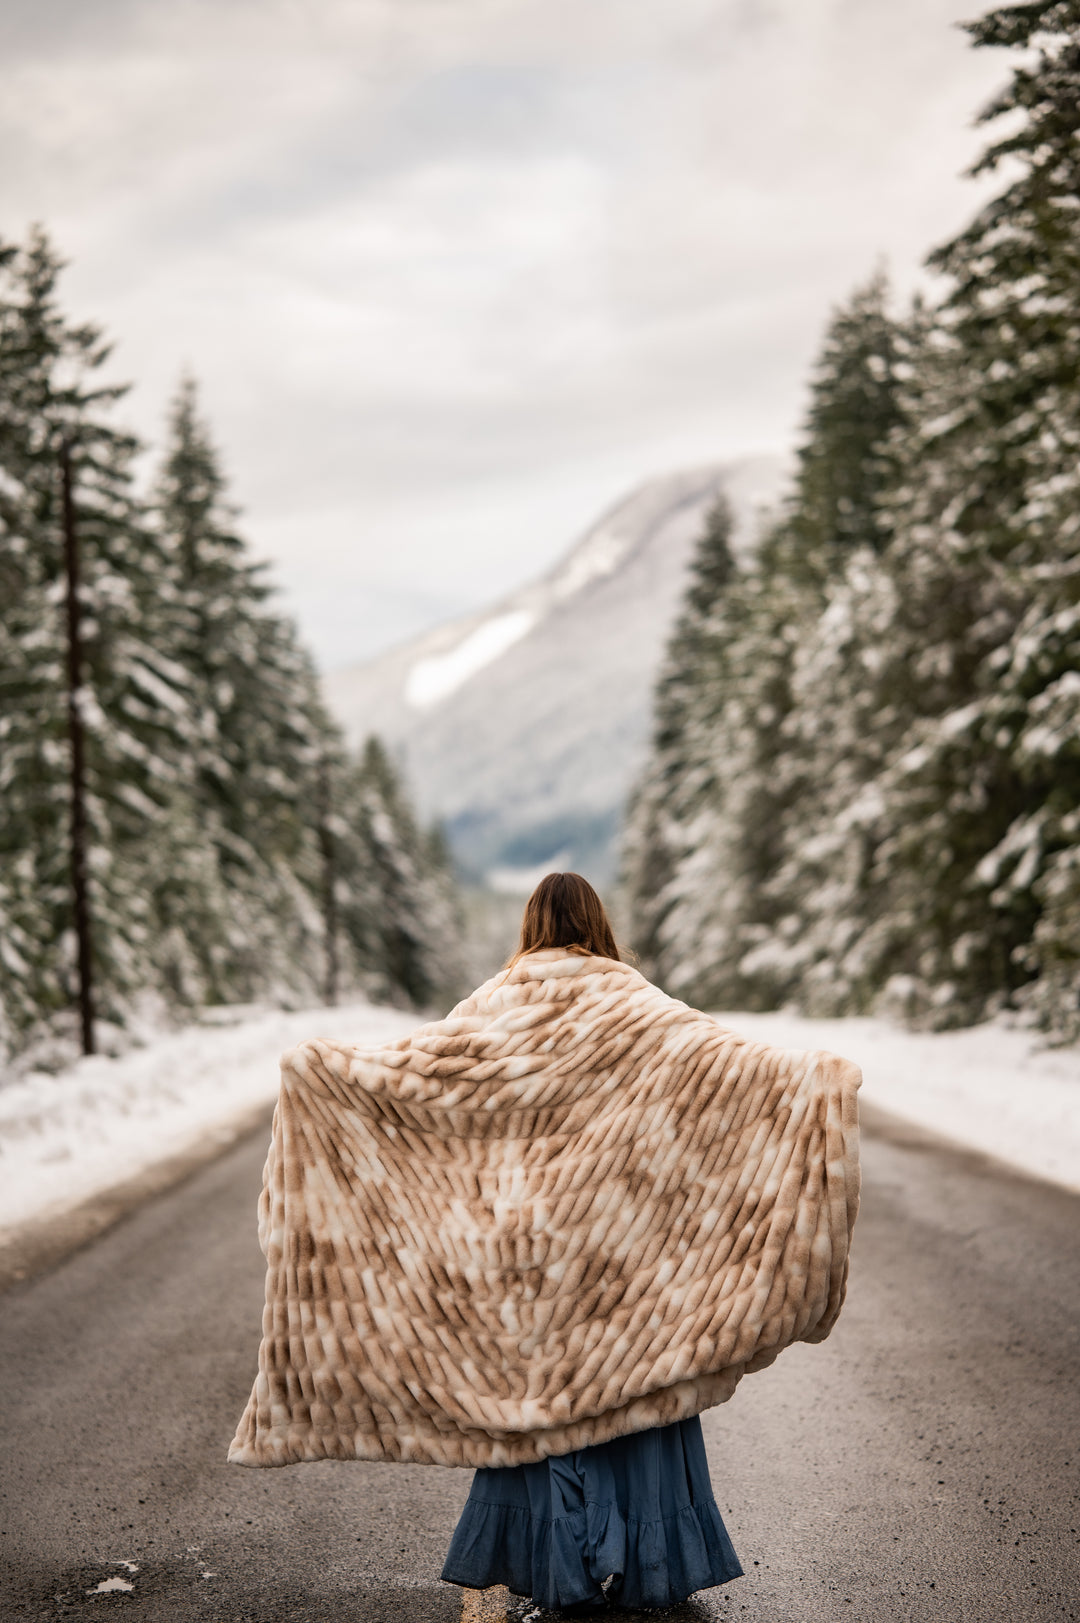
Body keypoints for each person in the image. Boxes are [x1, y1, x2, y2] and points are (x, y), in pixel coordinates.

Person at [439, 872, 743, 1613]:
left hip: (532, 1244)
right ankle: (647, 1558)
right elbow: (723, 1073)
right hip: (624, 1243)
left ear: (532, 922)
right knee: (634, 1388)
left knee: (543, 1397)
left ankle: (549, 1557)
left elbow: (435, 1087)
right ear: (598, 922)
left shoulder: (495, 1000)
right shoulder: (636, 999)